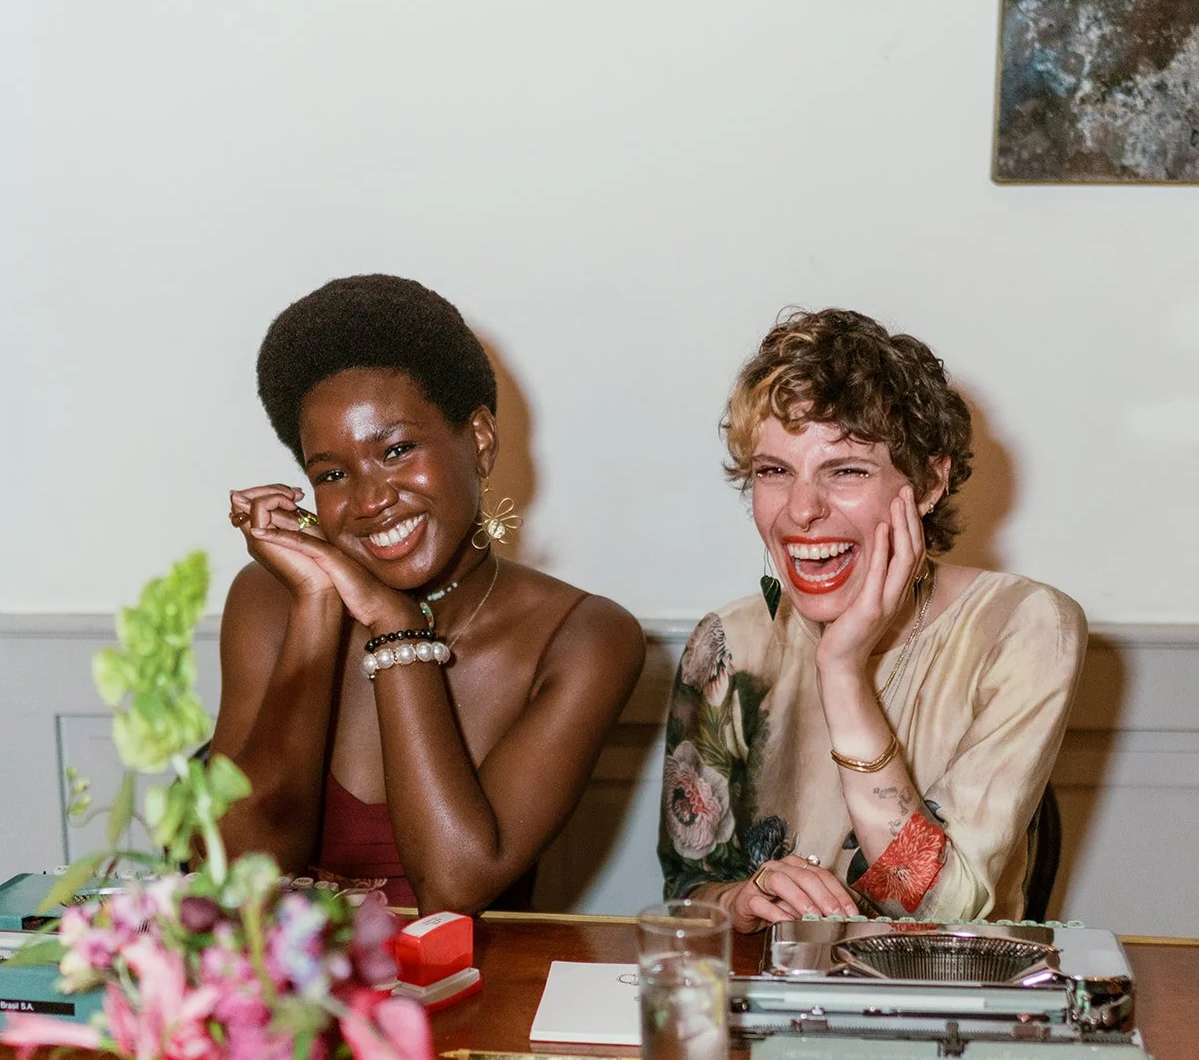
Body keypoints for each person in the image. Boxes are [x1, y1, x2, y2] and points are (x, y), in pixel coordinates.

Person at [213, 274, 644, 913]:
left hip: (474, 1004)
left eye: (397, 449)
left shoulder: (585, 639)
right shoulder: (271, 601)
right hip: (286, 1004)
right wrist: (316, 606)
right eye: (331, 473)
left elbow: (453, 886)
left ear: (479, 440)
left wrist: (395, 624)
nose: (368, 499)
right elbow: (239, 869)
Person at [658, 308, 1086, 930]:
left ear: (930, 481)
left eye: (847, 471)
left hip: (949, 1009)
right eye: (774, 472)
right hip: (773, 1001)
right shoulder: (729, 643)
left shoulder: (1025, 627)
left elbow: (943, 910)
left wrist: (841, 669)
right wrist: (741, 899)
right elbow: (686, 891)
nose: (800, 511)